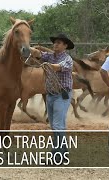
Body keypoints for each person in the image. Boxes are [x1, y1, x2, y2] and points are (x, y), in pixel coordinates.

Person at [30, 33, 74, 162]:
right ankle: (63, 154)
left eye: (59, 43)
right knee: (57, 126)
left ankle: (57, 156)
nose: (56, 44)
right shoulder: (49, 56)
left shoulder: (67, 59)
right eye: (55, 42)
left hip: (62, 95)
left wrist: (48, 65)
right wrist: (27, 47)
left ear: (65, 46)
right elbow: (38, 54)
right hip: (51, 95)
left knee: (57, 125)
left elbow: (59, 67)